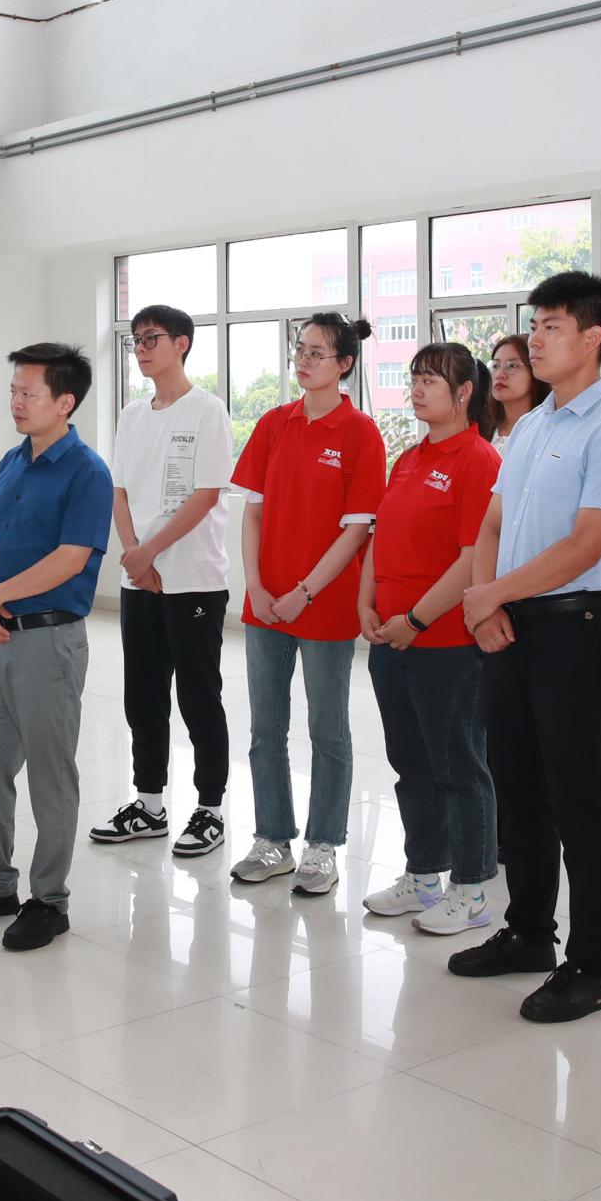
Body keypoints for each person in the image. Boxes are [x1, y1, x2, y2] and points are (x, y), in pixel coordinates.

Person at [455, 272, 601, 1023]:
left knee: (580, 800)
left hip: (577, 628)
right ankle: (530, 932)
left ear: (593, 337)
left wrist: (493, 596)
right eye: (533, 324)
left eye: (552, 326)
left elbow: (586, 544)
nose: (535, 338)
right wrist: (486, 603)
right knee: (520, 791)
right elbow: (493, 524)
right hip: (511, 627)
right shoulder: (532, 426)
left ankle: (592, 967)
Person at [0, 344, 112, 952]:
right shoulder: (12, 460)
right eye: (13, 391)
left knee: (50, 775)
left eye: (28, 393)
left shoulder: (87, 472)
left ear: (65, 402)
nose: (16, 402)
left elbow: (71, 559)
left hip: (49, 641)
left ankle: (49, 900)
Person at [226, 314, 385, 897]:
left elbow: (356, 530)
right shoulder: (274, 424)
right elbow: (252, 513)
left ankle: (323, 845)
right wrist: (257, 586)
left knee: (328, 730)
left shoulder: (361, 433)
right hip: (265, 605)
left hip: (325, 605)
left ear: (344, 364)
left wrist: (305, 592)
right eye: (300, 350)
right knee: (265, 729)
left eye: (318, 353)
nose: (304, 360)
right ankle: (273, 839)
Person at [358, 342, 501, 934]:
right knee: (410, 762)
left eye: (430, 380)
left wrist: (415, 619)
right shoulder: (409, 459)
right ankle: (422, 877)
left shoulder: (479, 460)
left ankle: (471, 890)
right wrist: (366, 602)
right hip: (391, 639)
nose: (416, 389)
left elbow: (472, 559)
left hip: (445, 641)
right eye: (414, 378)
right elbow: (381, 537)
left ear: (464, 392)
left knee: (458, 765)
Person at [89, 305, 237, 858]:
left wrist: (148, 551)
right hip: (140, 580)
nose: (142, 349)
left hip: (193, 580)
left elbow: (206, 495)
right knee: (143, 697)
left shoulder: (207, 411)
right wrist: (135, 556)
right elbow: (120, 491)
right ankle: (149, 804)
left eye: (152, 338)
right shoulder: (132, 415)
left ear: (182, 344)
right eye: (136, 340)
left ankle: (210, 810)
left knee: (199, 696)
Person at [482, 333, 546, 452]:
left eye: (512, 366)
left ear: (534, 371)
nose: (500, 375)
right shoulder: (482, 427)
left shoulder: (546, 432)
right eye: (495, 366)